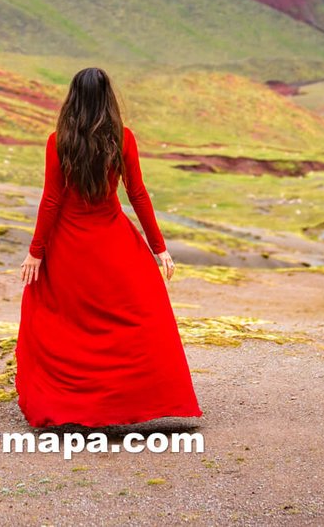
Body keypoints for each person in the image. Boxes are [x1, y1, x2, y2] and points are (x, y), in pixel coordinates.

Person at [15, 67, 202, 428]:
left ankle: (70, 404)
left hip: (69, 245)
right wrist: (158, 247)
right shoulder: (122, 138)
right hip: (114, 240)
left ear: (72, 98)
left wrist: (36, 251)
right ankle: (135, 400)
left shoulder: (59, 141)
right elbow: (137, 194)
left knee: (66, 321)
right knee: (139, 314)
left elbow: (52, 200)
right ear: (107, 98)